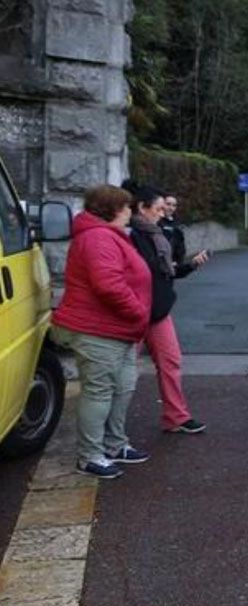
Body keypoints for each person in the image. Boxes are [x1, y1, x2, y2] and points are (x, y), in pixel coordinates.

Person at [50, 185, 152, 478]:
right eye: (127, 207)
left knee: (122, 387)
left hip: (116, 330)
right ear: (114, 210)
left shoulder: (106, 236)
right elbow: (108, 285)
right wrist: (138, 311)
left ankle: (114, 444)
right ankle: (90, 455)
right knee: (99, 392)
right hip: (99, 330)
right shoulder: (98, 238)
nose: (131, 211)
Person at [128, 187, 210, 434]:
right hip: (135, 313)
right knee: (122, 371)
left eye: (166, 208)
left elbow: (167, 270)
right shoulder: (130, 235)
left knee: (171, 361)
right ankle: (111, 430)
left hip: (159, 311)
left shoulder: (157, 234)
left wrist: (191, 265)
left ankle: (176, 417)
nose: (164, 213)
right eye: (159, 208)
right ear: (142, 208)